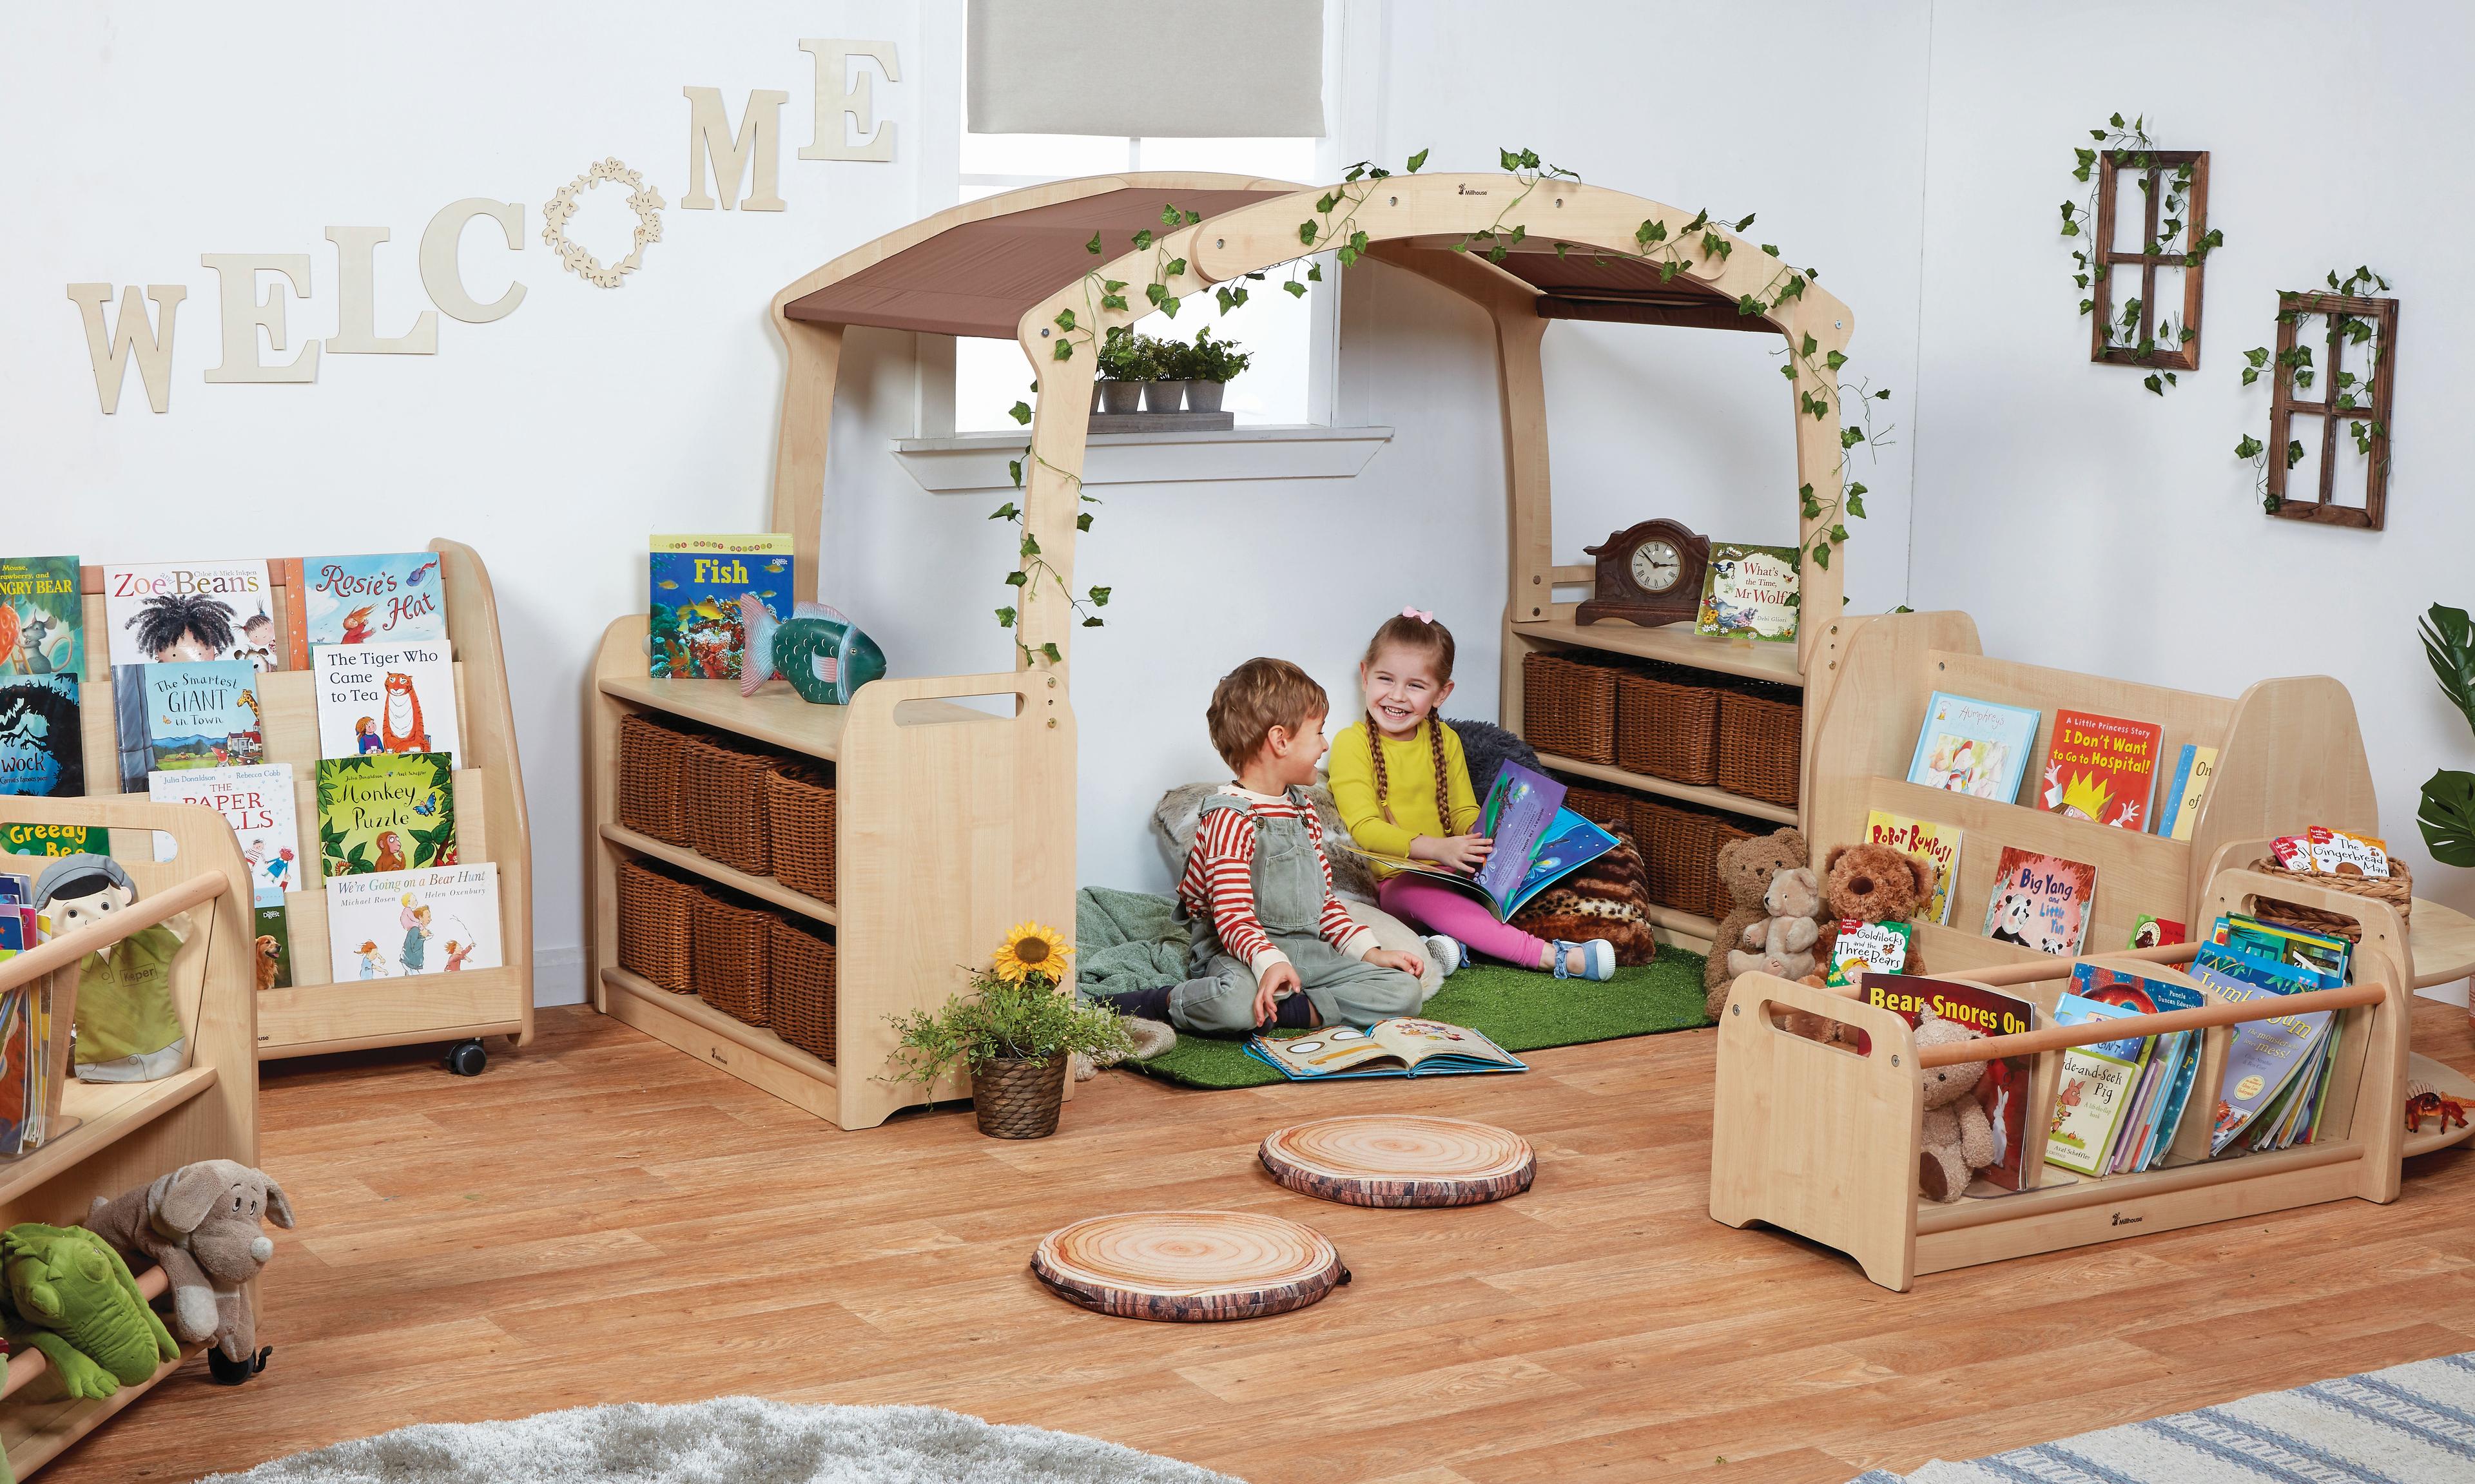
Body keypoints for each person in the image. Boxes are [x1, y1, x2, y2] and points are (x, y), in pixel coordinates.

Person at [1105, 657, 1425, 1035]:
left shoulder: (1302, 809)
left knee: (1404, 992)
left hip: (1304, 950)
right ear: (1280, 740)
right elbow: (1232, 915)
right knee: (1233, 1005)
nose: (1325, 745)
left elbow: (1323, 903)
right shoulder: (1229, 817)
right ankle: (1163, 1001)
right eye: (1319, 733)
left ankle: (1282, 1011)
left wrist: (1372, 953)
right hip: (1238, 952)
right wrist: (1268, 963)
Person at [1326, 608, 1616, 981]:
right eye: (1385, 679)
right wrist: (1440, 849)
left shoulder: (1444, 739)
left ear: (1441, 693)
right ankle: (1552, 957)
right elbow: (1366, 828)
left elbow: (1464, 809)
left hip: (1453, 871)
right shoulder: (1352, 743)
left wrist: (1492, 837)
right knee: (1422, 894)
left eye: (1415, 686)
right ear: (1365, 676)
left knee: (1523, 870)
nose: (1396, 696)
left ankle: (1446, 945)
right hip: (1395, 885)